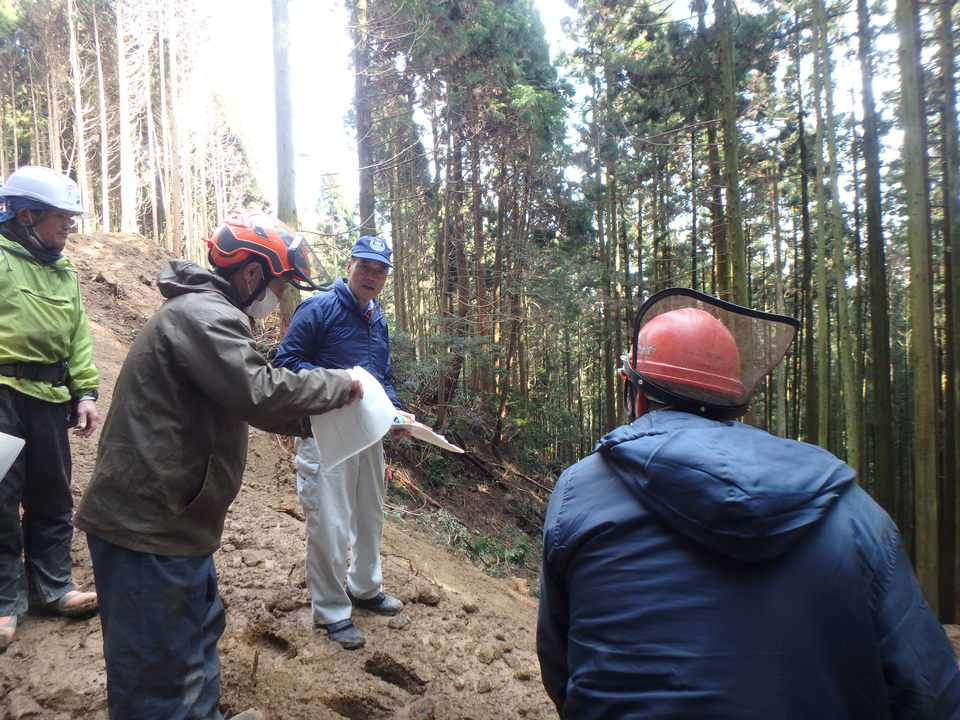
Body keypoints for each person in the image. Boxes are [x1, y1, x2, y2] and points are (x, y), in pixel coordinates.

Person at [537, 287, 960, 719]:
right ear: (736, 403)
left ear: (637, 394)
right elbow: (931, 695)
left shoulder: (579, 492)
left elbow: (561, 669)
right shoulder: (853, 510)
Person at [74, 210, 362, 719]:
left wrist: (358, 422)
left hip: (174, 521)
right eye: (279, 284)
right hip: (149, 527)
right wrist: (344, 386)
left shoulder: (207, 316)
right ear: (251, 274)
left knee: (196, 638)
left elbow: (247, 400)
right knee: (160, 677)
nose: (281, 298)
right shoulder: (205, 317)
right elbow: (260, 391)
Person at [274, 235, 405, 650]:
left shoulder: (377, 318)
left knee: (370, 514)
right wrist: (339, 384)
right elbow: (286, 363)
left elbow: (381, 378)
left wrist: (398, 412)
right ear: (349, 265)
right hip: (325, 430)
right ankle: (331, 610)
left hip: (369, 433)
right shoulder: (319, 308)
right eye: (365, 266)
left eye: (380, 270)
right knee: (329, 521)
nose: (372, 275)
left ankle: (364, 588)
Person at [0, 166, 101, 653]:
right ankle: (3, 601)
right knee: (0, 497)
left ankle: (54, 589)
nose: (68, 227)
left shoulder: (64, 270)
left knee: (53, 496)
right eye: (61, 218)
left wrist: (85, 392)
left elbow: (79, 336)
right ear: (26, 215)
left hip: (50, 400)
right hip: (0, 393)